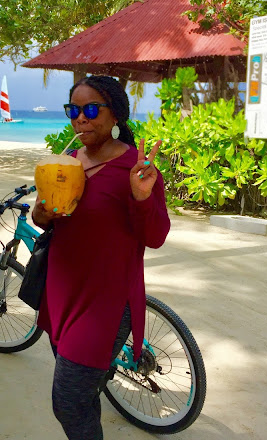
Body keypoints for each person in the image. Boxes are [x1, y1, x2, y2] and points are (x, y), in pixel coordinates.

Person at [32, 75, 170, 440]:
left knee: (68, 403)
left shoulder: (136, 170)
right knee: (82, 395)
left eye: (91, 110)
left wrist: (141, 197)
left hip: (106, 304)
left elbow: (156, 237)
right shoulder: (67, 162)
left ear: (115, 115)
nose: (81, 118)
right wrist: (41, 214)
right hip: (60, 294)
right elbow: (44, 217)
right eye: (74, 110)